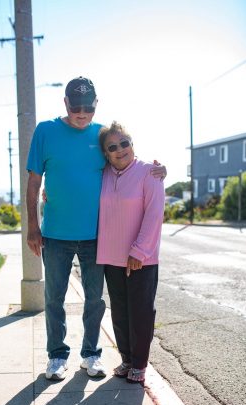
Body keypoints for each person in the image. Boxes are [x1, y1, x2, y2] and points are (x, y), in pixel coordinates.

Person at [26, 76, 166, 381]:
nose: (82, 113)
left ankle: (91, 355)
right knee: (53, 299)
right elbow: (35, 181)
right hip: (55, 235)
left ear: (95, 105)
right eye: (76, 107)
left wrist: (159, 171)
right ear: (65, 104)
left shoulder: (101, 136)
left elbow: (124, 166)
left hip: (95, 239)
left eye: (87, 107)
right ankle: (56, 356)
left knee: (95, 301)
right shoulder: (46, 131)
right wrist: (32, 226)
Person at [97, 121, 165, 385]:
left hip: (141, 258)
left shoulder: (150, 172)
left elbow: (154, 214)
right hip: (111, 256)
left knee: (141, 312)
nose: (120, 149)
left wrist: (139, 251)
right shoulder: (102, 174)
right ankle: (126, 359)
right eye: (112, 147)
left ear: (132, 144)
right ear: (106, 153)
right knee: (120, 312)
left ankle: (139, 363)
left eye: (124, 143)